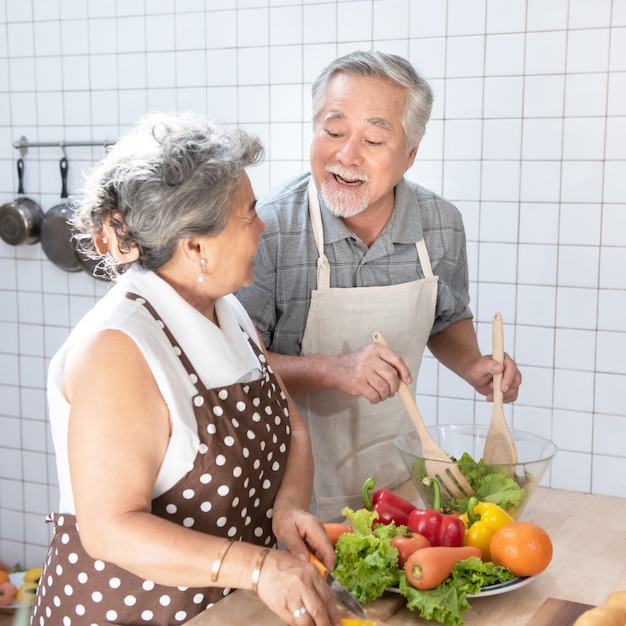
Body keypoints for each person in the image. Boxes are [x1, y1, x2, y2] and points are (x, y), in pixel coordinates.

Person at [31, 112, 342, 626]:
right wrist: (260, 565)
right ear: (195, 245)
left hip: (224, 610)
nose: (262, 229)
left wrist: (287, 508)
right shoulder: (119, 346)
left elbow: (293, 429)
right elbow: (110, 529)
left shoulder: (227, 310)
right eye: (250, 215)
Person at [235, 51, 523, 521]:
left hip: (396, 484)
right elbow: (236, 366)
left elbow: (446, 317)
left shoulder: (440, 225)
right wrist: (336, 369)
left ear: (410, 155)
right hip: (288, 495)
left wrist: (472, 363)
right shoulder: (267, 229)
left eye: (372, 138)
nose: (346, 156)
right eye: (332, 132)